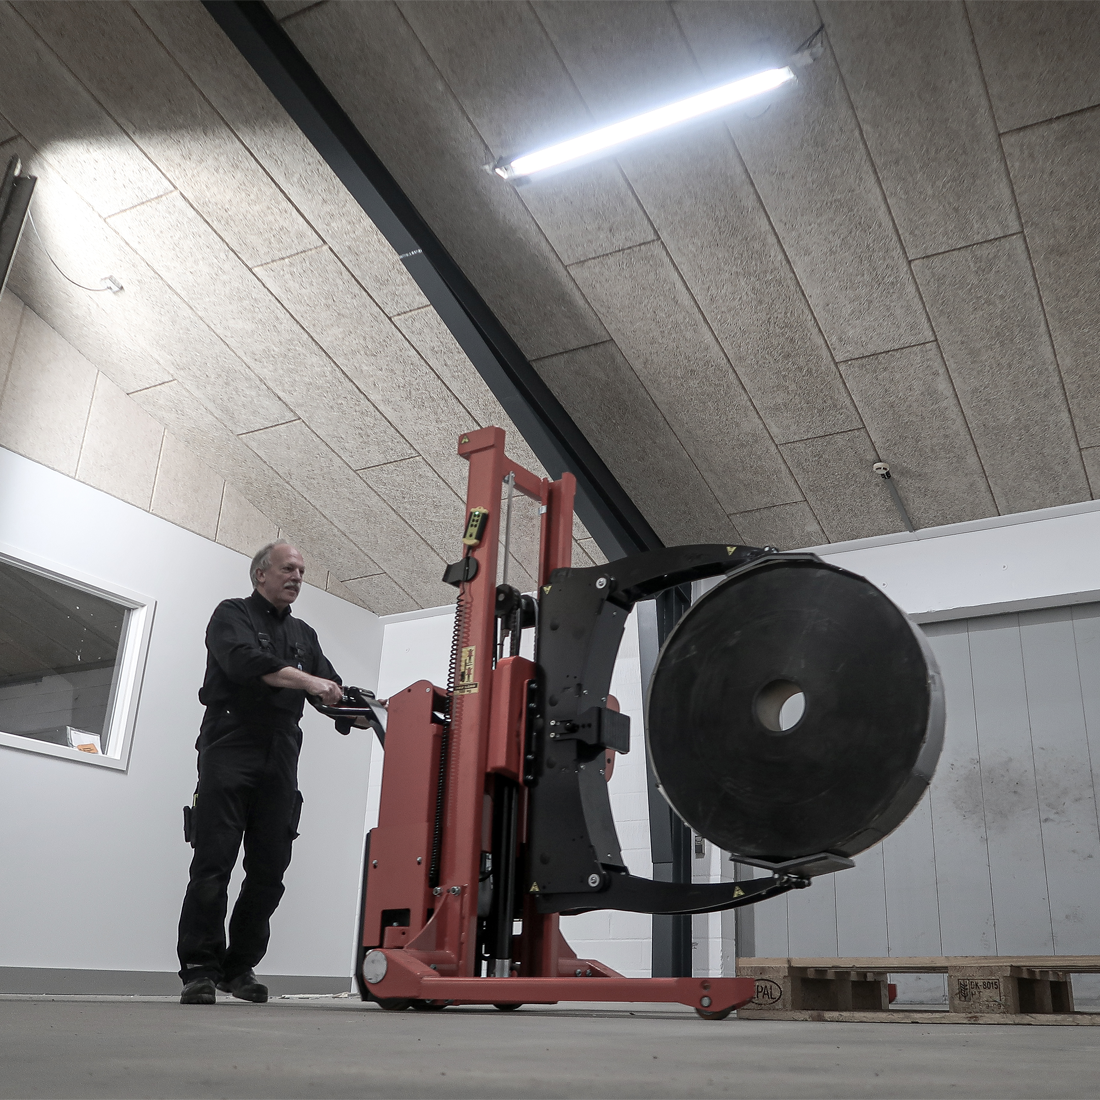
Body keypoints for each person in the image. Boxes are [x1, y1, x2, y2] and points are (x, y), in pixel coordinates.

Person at [177, 540, 344, 1005]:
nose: (296, 578)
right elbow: (246, 663)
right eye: (288, 569)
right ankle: (200, 970)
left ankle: (239, 968)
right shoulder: (231, 614)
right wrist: (310, 681)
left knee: (269, 870)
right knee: (213, 864)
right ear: (260, 575)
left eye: (301, 572)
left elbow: (331, 690)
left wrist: (376, 710)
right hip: (230, 744)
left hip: (281, 753)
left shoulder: (304, 635)